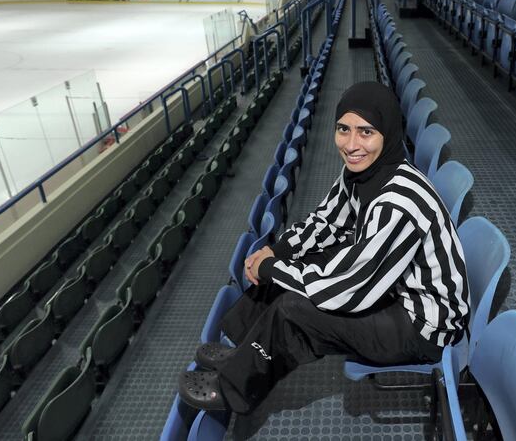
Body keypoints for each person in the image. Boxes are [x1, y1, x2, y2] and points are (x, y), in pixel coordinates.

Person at [178, 81, 470, 415]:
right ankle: (246, 353)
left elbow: (348, 292)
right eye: (343, 129)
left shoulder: (398, 203)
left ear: (386, 133)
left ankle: (232, 390)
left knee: (293, 308)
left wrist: (272, 268)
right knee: (298, 265)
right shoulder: (361, 173)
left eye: (366, 132)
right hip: (396, 290)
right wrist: (280, 252)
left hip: (424, 327)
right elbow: (327, 222)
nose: (350, 144)